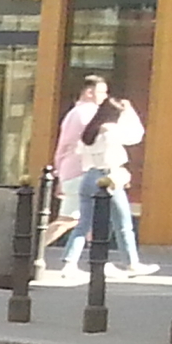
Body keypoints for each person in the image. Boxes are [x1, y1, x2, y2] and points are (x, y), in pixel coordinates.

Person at [49, 96, 156, 281]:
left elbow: (81, 155)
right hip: (109, 176)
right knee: (123, 223)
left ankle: (69, 263)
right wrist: (130, 111)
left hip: (88, 176)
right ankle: (132, 263)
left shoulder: (89, 133)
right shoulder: (111, 130)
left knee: (83, 223)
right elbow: (136, 135)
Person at [44, 75, 107, 257]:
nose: (105, 96)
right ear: (89, 92)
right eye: (101, 92)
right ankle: (31, 251)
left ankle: (92, 260)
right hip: (79, 172)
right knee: (68, 219)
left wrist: (58, 173)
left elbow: (63, 147)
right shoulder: (87, 113)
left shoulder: (76, 113)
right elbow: (92, 140)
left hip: (73, 172)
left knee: (85, 219)